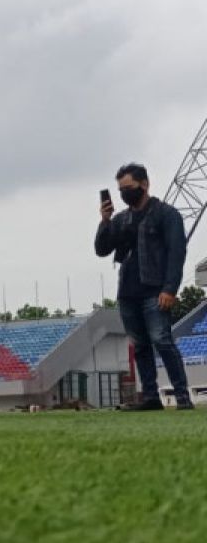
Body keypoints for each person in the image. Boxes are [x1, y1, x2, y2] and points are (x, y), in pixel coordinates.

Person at [95, 163, 192, 410]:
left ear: (144, 184)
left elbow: (176, 253)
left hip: (155, 289)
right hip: (128, 292)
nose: (124, 193)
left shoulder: (166, 214)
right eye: (120, 190)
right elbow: (102, 249)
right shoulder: (121, 219)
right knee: (139, 346)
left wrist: (170, 288)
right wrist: (105, 221)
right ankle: (150, 397)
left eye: (128, 188)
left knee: (162, 341)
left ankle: (182, 397)